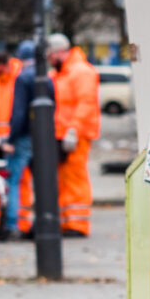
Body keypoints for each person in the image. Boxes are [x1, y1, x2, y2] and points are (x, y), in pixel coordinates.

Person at [46, 33, 100, 237]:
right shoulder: (61, 73)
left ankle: (78, 224)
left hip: (76, 134)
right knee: (64, 178)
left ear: (60, 52)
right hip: (63, 133)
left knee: (75, 177)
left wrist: (73, 130)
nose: (50, 60)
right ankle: (67, 221)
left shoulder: (80, 72)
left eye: (51, 56)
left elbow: (85, 103)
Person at [4, 41, 51, 239]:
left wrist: (11, 138)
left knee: (13, 180)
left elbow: (19, 112)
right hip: (42, 137)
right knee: (41, 182)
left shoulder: (22, 78)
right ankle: (41, 222)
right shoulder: (47, 78)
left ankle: (11, 224)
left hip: (23, 137)